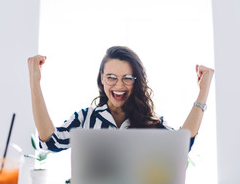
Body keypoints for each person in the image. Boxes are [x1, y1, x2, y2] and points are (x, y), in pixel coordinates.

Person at [27, 46, 214, 152]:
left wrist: (203, 91)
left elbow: (181, 144)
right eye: (111, 77)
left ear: (136, 80)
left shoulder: (149, 122)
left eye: (127, 78)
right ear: (102, 78)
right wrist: (35, 82)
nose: (119, 86)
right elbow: (51, 141)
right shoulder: (85, 118)